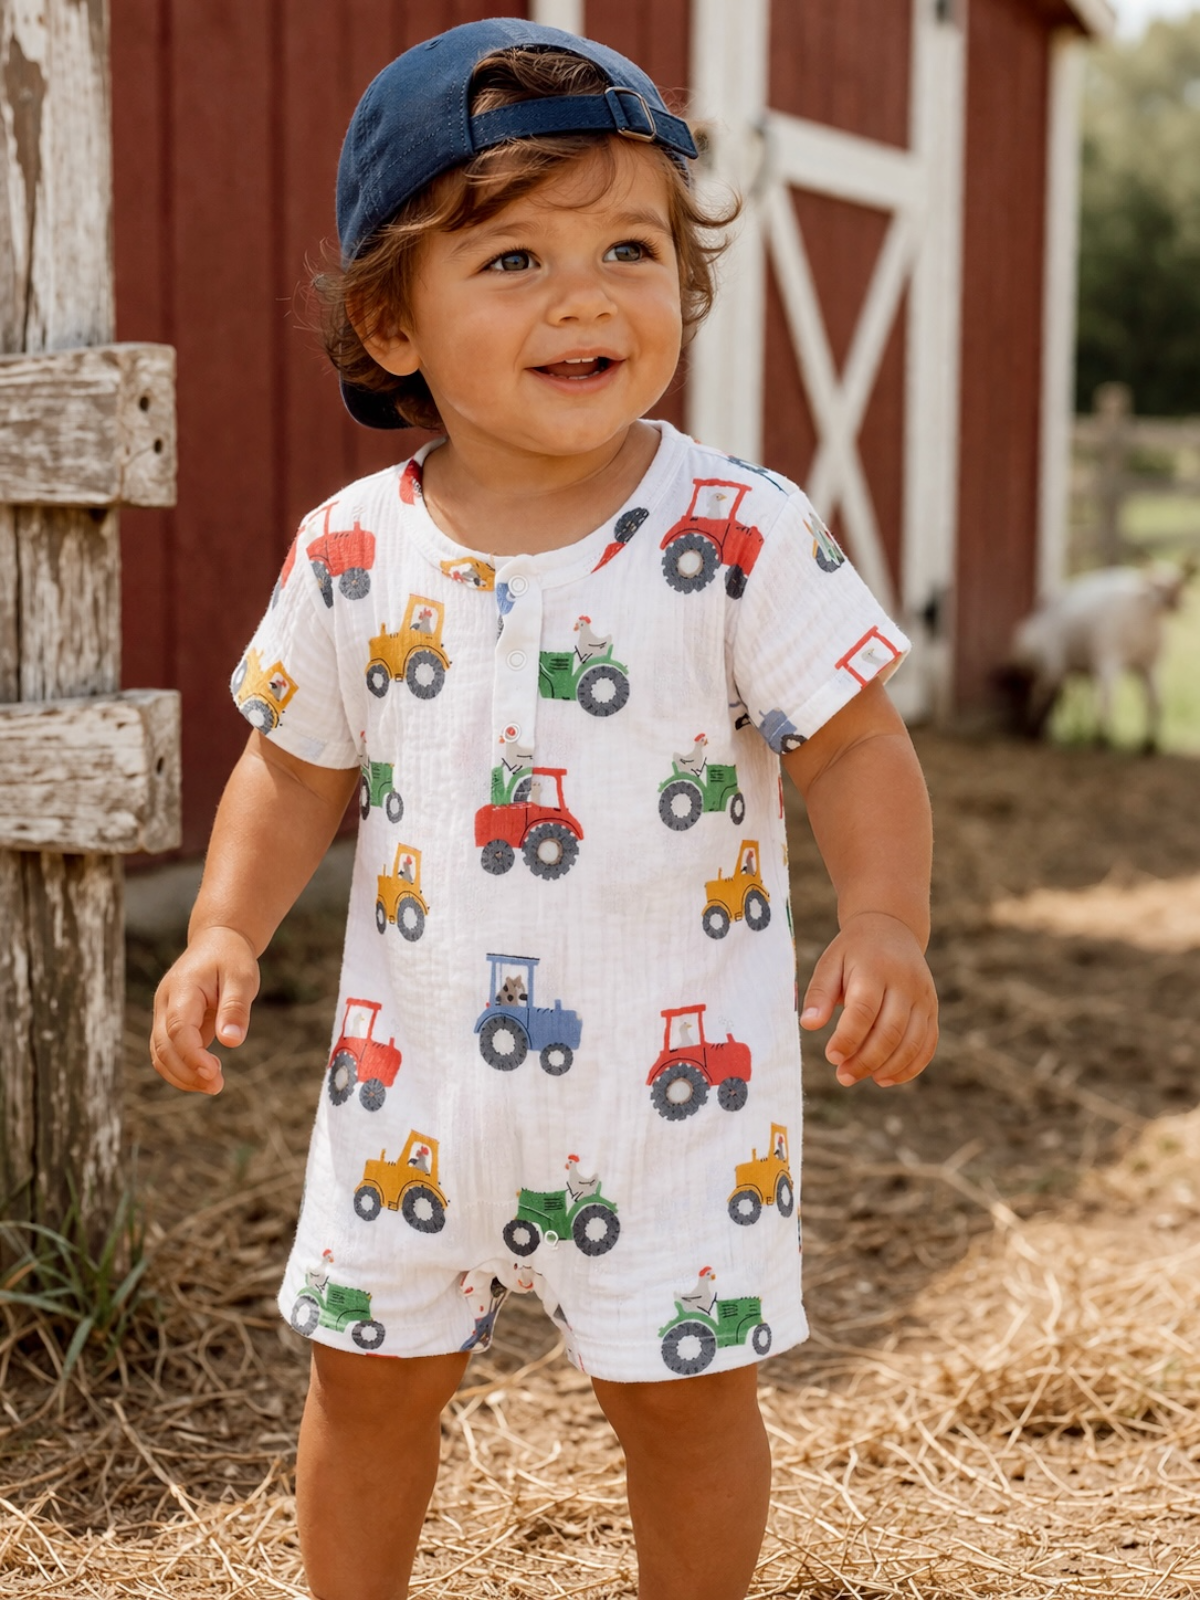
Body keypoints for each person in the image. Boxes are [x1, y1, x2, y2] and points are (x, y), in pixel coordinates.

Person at [149, 18, 937, 1600]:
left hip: (673, 1105)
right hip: (414, 1083)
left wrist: (889, 924)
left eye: (630, 249)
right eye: (511, 261)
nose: (586, 297)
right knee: (365, 1383)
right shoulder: (354, 551)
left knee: (685, 1402)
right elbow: (296, 763)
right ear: (391, 324)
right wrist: (225, 925)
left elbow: (853, 745)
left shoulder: (735, 529)